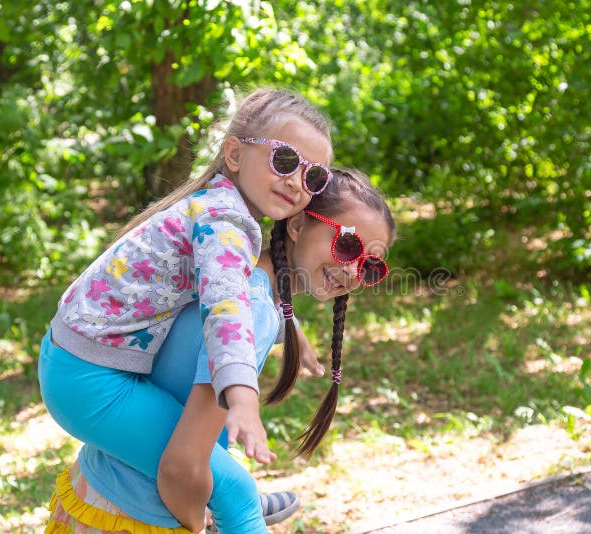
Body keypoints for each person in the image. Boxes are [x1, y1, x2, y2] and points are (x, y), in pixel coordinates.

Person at [38, 87, 335, 533]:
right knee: (232, 484)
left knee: (210, 455)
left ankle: (229, 505)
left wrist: (289, 328)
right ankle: (233, 512)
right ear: (234, 154)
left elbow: (234, 285)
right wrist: (242, 396)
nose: (297, 182)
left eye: (314, 178)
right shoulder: (225, 221)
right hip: (87, 379)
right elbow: (226, 304)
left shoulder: (223, 207)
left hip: (79, 363)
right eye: (286, 160)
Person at [45, 168, 396, 533]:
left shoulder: (227, 263)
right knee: (239, 495)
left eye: (370, 265)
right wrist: (204, 519)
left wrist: (287, 325)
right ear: (297, 225)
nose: (354, 270)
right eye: (348, 244)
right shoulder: (254, 311)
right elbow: (184, 462)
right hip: (141, 512)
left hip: (102, 479)